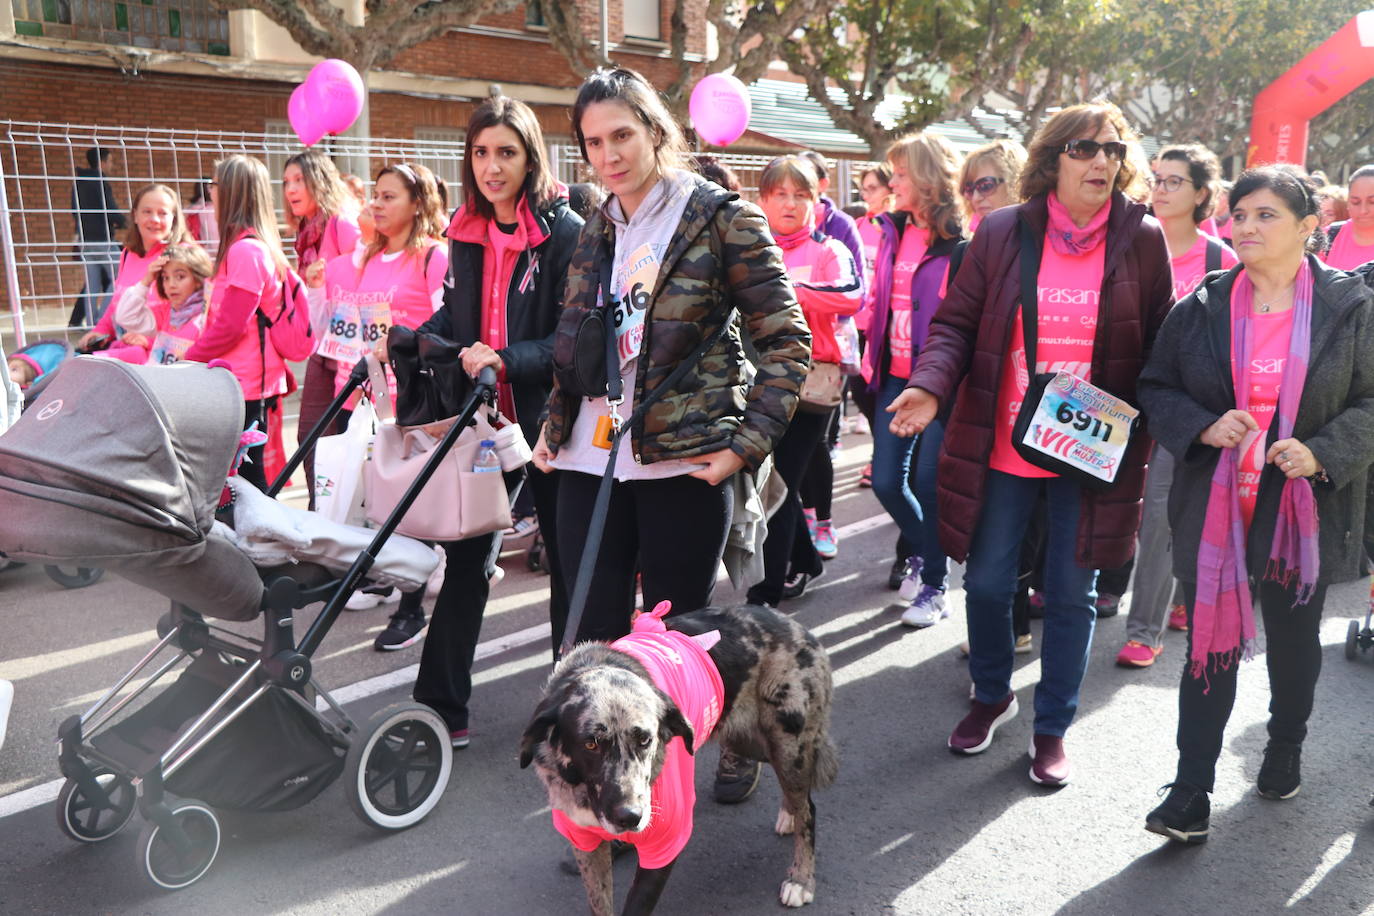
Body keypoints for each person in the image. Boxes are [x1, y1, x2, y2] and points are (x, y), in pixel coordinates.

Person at [531, 66, 810, 804]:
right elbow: (578, 342)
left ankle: (727, 740)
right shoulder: (595, 226)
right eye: (593, 143)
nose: (609, 155)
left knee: (676, 642)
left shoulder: (721, 219)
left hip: (685, 463)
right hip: (591, 460)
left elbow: (786, 343)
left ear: (656, 130)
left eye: (622, 135)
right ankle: (613, 801)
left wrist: (744, 446)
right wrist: (554, 427)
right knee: (592, 639)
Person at [890, 101, 1173, 786]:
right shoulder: (1002, 232)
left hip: (1091, 451)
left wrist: (1177, 419)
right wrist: (929, 386)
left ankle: (1052, 728)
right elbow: (955, 324)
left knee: (1071, 596)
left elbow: (1161, 344)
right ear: (1051, 160)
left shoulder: (1142, 239)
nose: (1101, 160)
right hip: (1007, 440)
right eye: (1083, 148)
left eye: (1112, 148)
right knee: (986, 583)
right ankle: (992, 694)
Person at [1138, 164, 1374, 844]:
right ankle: (1189, 793)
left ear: (1308, 227)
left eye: (1266, 214)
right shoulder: (1203, 305)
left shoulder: (1349, 307)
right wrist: (1203, 426)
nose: (1246, 226)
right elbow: (1156, 387)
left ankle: (1285, 746)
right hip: (1214, 507)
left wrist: (1323, 450)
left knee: (1293, 645)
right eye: (1240, 213)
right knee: (1205, 650)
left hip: (1305, 507)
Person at [397, 97, 582, 747]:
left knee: (567, 565)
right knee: (467, 555)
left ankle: (573, 708)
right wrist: (409, 340)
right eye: (480, 152)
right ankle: (440, 706)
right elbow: (458, 322)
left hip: (551, 421)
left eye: (506, 152)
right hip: (482, 418)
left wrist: (504, 359)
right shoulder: (465, 230)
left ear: (531, 156)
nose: (492, 166)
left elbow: (572, 339)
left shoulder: (564, 233)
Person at [1113, 144, 1239, 668]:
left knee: (1164, 515)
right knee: (1118, 504)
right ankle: (1168, 596)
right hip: (1119, 398)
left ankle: (1144, 630)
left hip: (1180, 409)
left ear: (1202, 195)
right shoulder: (1131, 246)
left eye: (1173, 182)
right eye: (1155, 179)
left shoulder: (1220, 260)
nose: (1158, 190)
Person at [746, 155, 862, 607]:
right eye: (780, 194)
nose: (790, 204)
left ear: (816, 201)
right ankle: (806, 560)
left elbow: (852, 297)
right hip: (757, 382)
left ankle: (768, 589)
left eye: (801, 195)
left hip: (814, 387)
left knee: (780, 482)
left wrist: (787, 290)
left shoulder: (830, 250)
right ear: (763, 200)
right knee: (767, 480)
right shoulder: (750, 248)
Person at [862, 131, 964, 628]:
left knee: (928, 484)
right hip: (893, 375)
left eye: (900, 173)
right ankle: (927, 554)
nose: (891, 182)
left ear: (925, 177)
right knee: (885, 481)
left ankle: (936, 586)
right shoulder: (891, 229)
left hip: (940, 384)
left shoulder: (959, 239)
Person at [184, 155, 289, 491]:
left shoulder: (246, 252)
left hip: (245, 382)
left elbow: (231, 324)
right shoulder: (243, 248)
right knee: (244, 472)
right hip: (238, 377)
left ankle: (259, 541)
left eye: (214, 185)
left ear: (230, 191)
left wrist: (190, 358)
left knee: (248, 475)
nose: (210, 192)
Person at [283, 149, 362, 509]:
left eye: (299, 180)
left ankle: (333, 520)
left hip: (352, 353)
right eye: (286, 182)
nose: (290, 189)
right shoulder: (306, 232)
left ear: (320, 180)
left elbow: (366, 280)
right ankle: (319, 517)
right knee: (310, 438)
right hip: (324, 348)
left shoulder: (341, 224)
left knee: (342, 440)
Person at [76, 183, 195, 357]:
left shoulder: (182, 256)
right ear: (135, 216)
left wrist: (149, 342)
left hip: (160, 356)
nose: (154, 219)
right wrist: (100, 330)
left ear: (174, 219)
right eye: (147, 212)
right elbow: (117, 301)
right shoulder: (128, 254)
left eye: (162, 213)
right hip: (125, 348)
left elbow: (193, 321)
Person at [109, 242, 214, 365]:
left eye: (180, 277)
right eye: (165, 278)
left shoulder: (207, 316)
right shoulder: (166, 312)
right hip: (157, 380)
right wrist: (146, 281)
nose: (171, 285)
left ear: (198, 279)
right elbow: (126, 317)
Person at [70, 147, 126, 326]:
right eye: (110, 161)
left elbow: (74, 211)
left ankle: (92, 323)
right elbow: (110, 209)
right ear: (102, 162)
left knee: (92, 285)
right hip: (103, 239)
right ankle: (103, 320)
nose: (111, 165)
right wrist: (123, 222)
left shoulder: (78, 182)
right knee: (120, 277)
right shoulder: (101, 181)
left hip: (86, 240)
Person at [800, 149, 867, 288]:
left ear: (822, 184)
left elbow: (857, 285)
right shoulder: (776, 221)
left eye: (804, 175)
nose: (796, 180)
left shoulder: (841, 224)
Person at [958, 139, 1027, 234]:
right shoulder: (967, 246)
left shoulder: (1042, 241)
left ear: (1015, 183)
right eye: (969, 189)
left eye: (985, 186)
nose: (975, 198)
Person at [1323, 165, 1374, 270]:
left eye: (1372, 202)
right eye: (1356, 202)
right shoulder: (1329, 236)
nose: (1363, 210)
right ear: (1347, 203)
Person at [184, 178, 219, 252]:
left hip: (194, 251)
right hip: (211, 253)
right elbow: (214, 237)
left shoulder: (188, 210)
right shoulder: (210, 210)